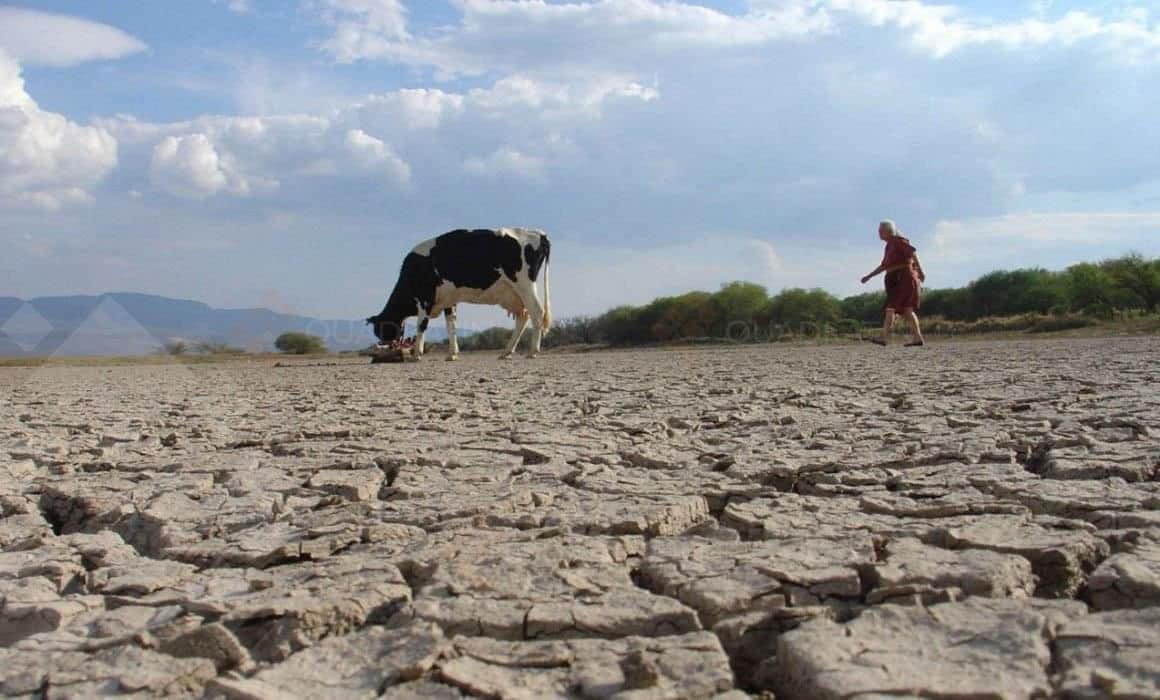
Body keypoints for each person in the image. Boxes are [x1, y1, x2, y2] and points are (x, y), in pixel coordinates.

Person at [860, 219, 926, 347]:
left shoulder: (899, 241)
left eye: (881, 230)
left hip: (903, 278)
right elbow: (884, 266)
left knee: (891, 308)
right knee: (907, 310)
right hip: (895, 279)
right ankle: (918, 339)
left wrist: (921, 272)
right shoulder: (889, 246)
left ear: (889, 231)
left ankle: (884, 338)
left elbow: (912, 254)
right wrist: (869, 276)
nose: (879, 233)